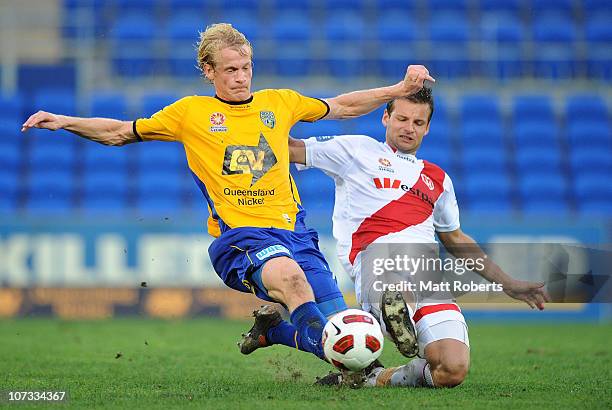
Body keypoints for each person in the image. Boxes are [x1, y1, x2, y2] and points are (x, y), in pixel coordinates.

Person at [21, 23, 435, 363]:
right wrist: (64, 120)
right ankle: (335, 352)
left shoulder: (280, 103)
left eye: (245, 68)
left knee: (342, 333)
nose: (240, 77)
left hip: (296, 234)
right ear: (209, 70)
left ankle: (279, 333)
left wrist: (398, 90)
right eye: (230, 70)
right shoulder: (190, 113)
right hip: (241, 238)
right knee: (296, 287)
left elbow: (342, 106)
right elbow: (118, 133)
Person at [288, 86, 550, 387]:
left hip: (428, 277)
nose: (408, 128)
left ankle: (375, 377)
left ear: (427, 128)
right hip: (377, 262)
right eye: (402, 119)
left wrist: (508, 283)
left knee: (452, 369)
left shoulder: (437, 178)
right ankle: (396, 309)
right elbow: (289, 148)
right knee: (393, 281)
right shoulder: (356, 150)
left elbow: (457, 240)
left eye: (418, 123)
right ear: (385, 118)